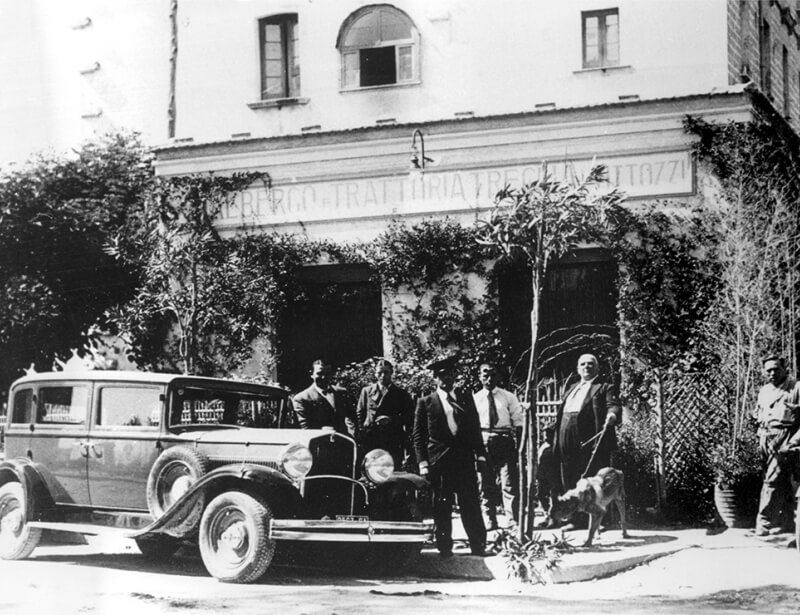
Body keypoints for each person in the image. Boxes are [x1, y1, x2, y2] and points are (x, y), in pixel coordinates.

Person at [414, 354, 487, 557]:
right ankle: (445, 547)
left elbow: (475, 429)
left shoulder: (465, 398)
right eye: (441, 376)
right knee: (442, 505)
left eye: (449, 375)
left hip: (463, 460)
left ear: (455, 376)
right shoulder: (425, 402)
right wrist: (423, 463)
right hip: (440, 462)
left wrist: (480, 456)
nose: (446, 379)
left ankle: (478, 545)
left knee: (470, 503)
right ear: (435, 379)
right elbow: (418, 435)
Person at [552, 353, 621, 497]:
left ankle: (588, 516)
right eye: (583, 364)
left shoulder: (604, 387)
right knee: (567, 470)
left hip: (587, 435)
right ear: (578, 369)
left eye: (590, 363)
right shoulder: (571, 388)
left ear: (597, 368)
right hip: (565, 432)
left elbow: (613, 405)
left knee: (588, 473)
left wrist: (612, 415)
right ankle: (572, 514)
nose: (586, 367)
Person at [472, 363, 523, 529]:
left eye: (493, 374)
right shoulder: (475, 399)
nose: (489, 378)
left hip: (504, 440)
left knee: (508, 481)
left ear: (498, 377)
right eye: (485, 374)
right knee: (485, 483)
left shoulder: (508, 397)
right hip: (483, 441)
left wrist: (520, 447)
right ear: (479, 376)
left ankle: (512, 520)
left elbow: (518, 421)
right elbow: (471, 426)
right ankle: (490, 518)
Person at [753, 355, 800, 536]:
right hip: (765, 437)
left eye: (775, 369)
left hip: (785, 437)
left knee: (772, 480)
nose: (772, 373)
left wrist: (794, 441)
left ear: (784, 368)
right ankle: (787, 521)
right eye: (768, 370)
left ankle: (764, 522)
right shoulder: (764, 390)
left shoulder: (796, 388)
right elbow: (759, 413)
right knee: (782, 481)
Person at [356, 359, 415, 469]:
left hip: (392, 439)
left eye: (386, 372)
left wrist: (391, 419)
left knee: (391, 470)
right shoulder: (366, 391)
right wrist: (364, 431)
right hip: (371, 439)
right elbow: (360, 413)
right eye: (379, 373)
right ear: (375, 374)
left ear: (392, 373)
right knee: (371, 471)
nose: (383, 376)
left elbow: (409, 417)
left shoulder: (401, 394)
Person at [293, 360, 357, 437]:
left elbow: (351, 417)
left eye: (327, 374)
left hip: (343, 443)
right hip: (317, 444)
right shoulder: (302, 398)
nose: (323, 377)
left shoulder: (341, 393)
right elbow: (305, 428)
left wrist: (351, 434)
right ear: (311, 374)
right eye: (319, 374)